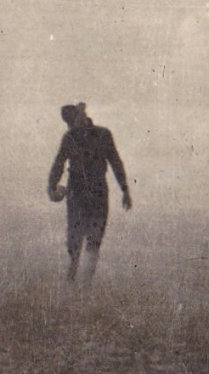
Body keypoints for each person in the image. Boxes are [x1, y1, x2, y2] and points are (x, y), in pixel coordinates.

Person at [48, 103, 132, 284]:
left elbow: (116, 163)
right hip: (77, 192)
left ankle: (85, 285)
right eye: (69, 123)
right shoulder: (70, 137)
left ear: (83, 116)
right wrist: (52, 187)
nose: (72, 126)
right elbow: (58, 163)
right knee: (74, 238)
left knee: (94, 238)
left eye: (74, 120)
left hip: (97, 192)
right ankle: (72, 276)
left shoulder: (103, 135)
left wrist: (125, 190)